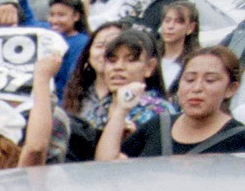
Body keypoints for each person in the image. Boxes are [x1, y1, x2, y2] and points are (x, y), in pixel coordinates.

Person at [100, 45, 245, 156]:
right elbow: (108, 167)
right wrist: (120, 112)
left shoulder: (238, 139)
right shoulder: (158, 126)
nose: (197, 88)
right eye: (189, 79)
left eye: (210, 80)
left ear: (231, 88)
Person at [83, 27, 178, 136]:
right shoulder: (97, 110)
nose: (118, 67)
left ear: (149, 67)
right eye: (112, 61)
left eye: (131, 60)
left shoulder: (160, 112)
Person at [65, 20, 131, 126]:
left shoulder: (134, 97)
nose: (105, 52)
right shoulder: (77, 90)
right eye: (100, 46)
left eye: (113, 46)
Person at [46, 0, 92, 102]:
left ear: (76, 16)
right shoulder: (50, 37)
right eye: (52, 15)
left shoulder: (82, 43)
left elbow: (73, 81)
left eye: (61, 15)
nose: (55, 20)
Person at [156, 0, 200, 93]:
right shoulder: (151, 55)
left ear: (190, 28)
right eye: (167, 21)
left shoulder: (195, 61)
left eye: (178, 22)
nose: (170, 26)